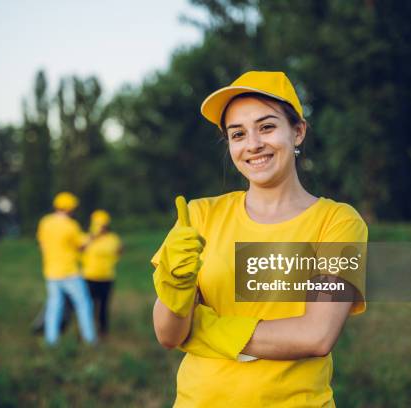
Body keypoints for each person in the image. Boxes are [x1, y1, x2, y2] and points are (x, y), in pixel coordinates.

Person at [152, 71, 368, 407]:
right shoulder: (199, 216)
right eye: (237, 134)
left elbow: (317, 335)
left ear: (297, 132)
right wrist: (175, 285)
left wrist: (203, 328)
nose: (252, 144)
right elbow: (168, 335)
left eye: (266, 127)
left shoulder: (338, 222)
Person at [37, 192, 97, 346]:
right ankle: (90, 339)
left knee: (54, 305)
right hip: (69, 272)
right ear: (70, 208)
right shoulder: (71, 225)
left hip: (50, 271)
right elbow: (81, 246)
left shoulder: (45, 222)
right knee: (83, 304)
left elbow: (42, 245)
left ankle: (51, 340)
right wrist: (91, 236)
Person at [82, 210, 122, 338]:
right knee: (89, 306)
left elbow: (119, 251)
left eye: (103, 225)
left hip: (107, 277)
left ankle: (103, 331)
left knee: (104, 307)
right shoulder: (87, 238)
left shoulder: (112, 238)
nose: (102, 227)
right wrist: (93, 237)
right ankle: (88, 331)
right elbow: (80, 250)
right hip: (90, 277)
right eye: (99, 224)